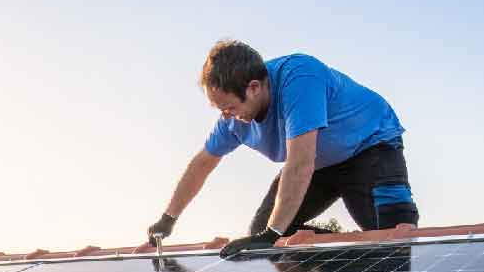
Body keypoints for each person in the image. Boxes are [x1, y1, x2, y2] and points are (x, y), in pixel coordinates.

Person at [146, 40, 418, 258]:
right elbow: (202, 163)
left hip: (369, 147)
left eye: (229, 107)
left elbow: (300, 162)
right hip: (320, 165)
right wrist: (168, 219)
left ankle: (374, 257)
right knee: (261, 236)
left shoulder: (299, 78)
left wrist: (273, 233)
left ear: (253, 88)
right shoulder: (232, 121)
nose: (226, 117)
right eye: (220, 110)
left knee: (394, 240)